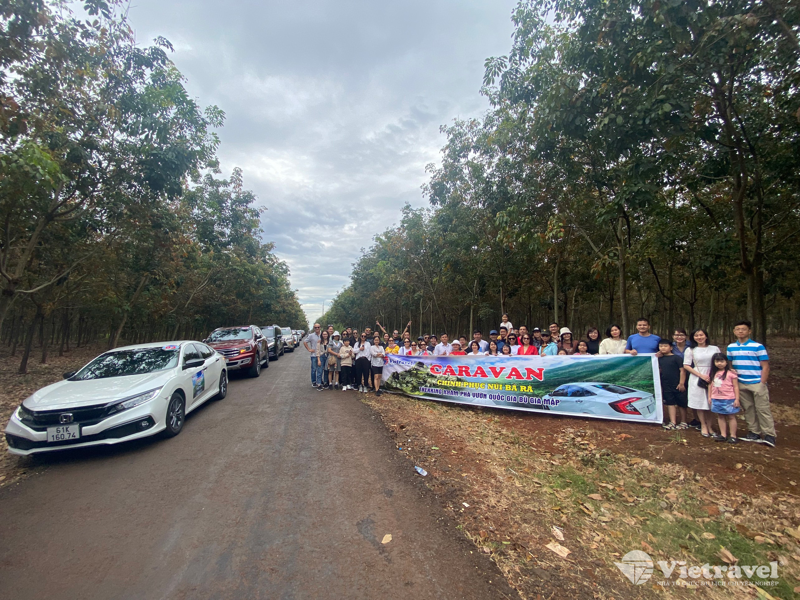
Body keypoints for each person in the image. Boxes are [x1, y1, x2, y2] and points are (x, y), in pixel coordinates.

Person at [727, 321, 776, 447]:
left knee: (762, 409)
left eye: (743, 329)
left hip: (756, 382)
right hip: (741, 382)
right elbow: (730, 363)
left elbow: (765, 366)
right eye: (738, 329)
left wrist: (762, 383)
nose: (740, 331)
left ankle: (769, 434)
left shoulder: (758, 347)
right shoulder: (731, 347)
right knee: (748, 408)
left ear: (749, 331)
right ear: (734, 331)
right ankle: (754, 432)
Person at [683, 329, 720, 437]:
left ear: (706, 336)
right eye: (696, 335)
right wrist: (701, 375)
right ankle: (703, 425)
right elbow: (686, 365)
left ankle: (710, 426)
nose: (699, 337)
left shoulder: (714, 348)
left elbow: (720, 361)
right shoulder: (690, 350)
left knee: (710, 403)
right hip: (697, 377)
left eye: (701, 335)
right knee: (700, 403)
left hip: (713, 376)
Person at [709, 352, 740, 444]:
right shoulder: (713, 373)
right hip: (716, 398)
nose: (719, 363)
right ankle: (723, 434)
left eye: (722, 361)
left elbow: (736, 387)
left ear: (726, 362)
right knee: (720, 415)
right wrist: (710, 397)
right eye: (717, 361)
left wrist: (737, 399)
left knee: (731, 416)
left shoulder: (731, 373)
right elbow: (710, 385)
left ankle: (733, 436)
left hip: (729, 398)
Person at [658, 339, 688, 429]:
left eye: (665, 346)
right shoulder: (659, 359)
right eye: (661, 346)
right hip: (666, 384)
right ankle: (673, 422)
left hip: (678, 384)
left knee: (681, 403)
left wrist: (681, 383)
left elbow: (682, 371)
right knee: (670, 402)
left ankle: (683, 422)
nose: (663, 348)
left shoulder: (677, 358)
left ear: (671, 347)